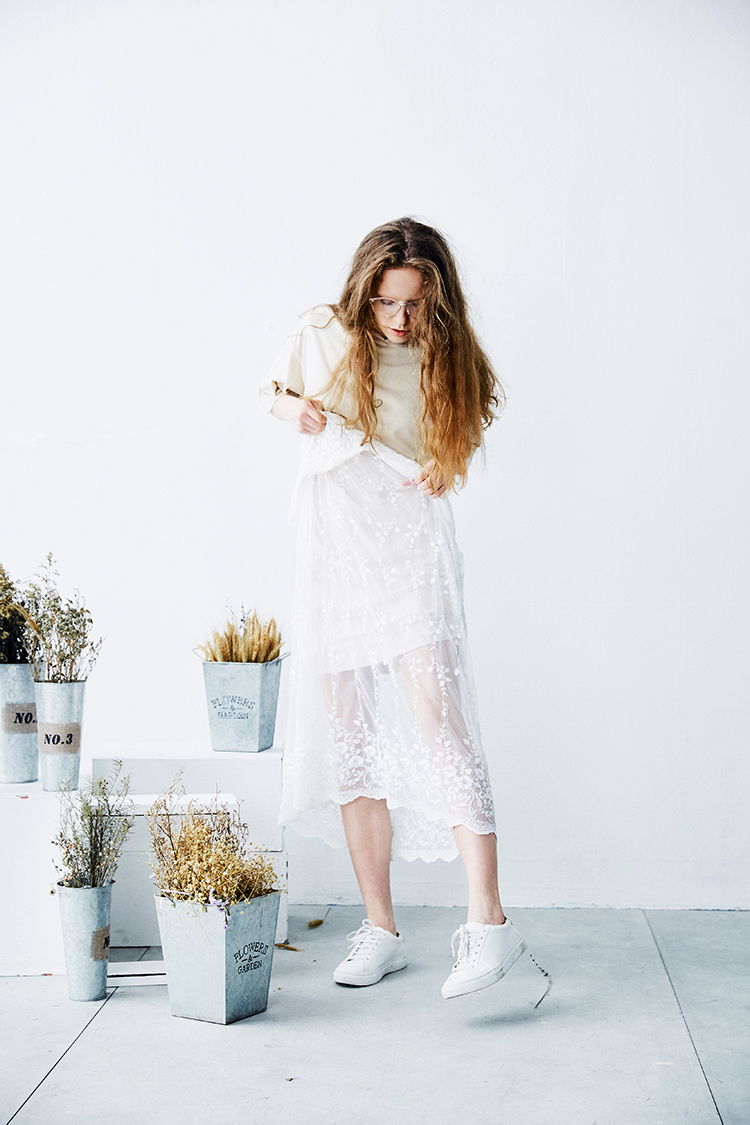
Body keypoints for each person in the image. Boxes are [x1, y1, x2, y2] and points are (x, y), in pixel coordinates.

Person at [260, 217, 529, 1000]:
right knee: (351, 735)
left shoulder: (449, 355)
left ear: (435, 300)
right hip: (337, 548)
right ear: (364, 293)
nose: (400, 319)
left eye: (415, 304)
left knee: (440, 719)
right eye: (386, 303)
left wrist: (448, 462)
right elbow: (273, 394)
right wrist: (295, 413)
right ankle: (381, 927)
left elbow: (463, 433)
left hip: (407, 544)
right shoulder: (322, 332)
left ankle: (489, 921)